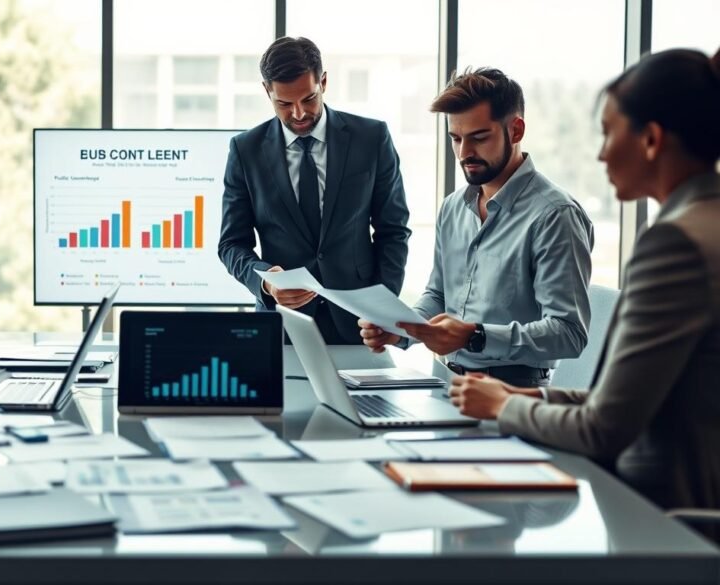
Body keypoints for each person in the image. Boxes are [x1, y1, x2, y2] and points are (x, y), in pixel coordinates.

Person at [449, 48, 720, 515]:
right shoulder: (704, 223)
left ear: (651, 140)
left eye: (608, 133)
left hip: (660, 518)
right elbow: (628, 397)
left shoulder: (674, 244)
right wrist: (527, 396)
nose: (600, 153)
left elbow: (605, 427)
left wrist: (503, 407)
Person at [360, 68, 594, 388]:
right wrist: (402, 329)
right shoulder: (453, 207)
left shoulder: (555, 215)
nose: (464, 153)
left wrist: (475, 336)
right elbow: (439, 296)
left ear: (516, 130)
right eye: (456, 139)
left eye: (479, 138)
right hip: (443, 384)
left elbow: (569, 333)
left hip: (514, 395)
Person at [218, 37, 411, 344]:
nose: (298, 114)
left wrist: (381, 307)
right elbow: (231, 244)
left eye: (308, 99)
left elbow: (393, 231)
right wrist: (267, 282)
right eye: (284, 103)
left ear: (323, 81)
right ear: (267, 91)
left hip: (359, 325)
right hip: (282, 328)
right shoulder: (246, 150)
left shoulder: (371, 138)